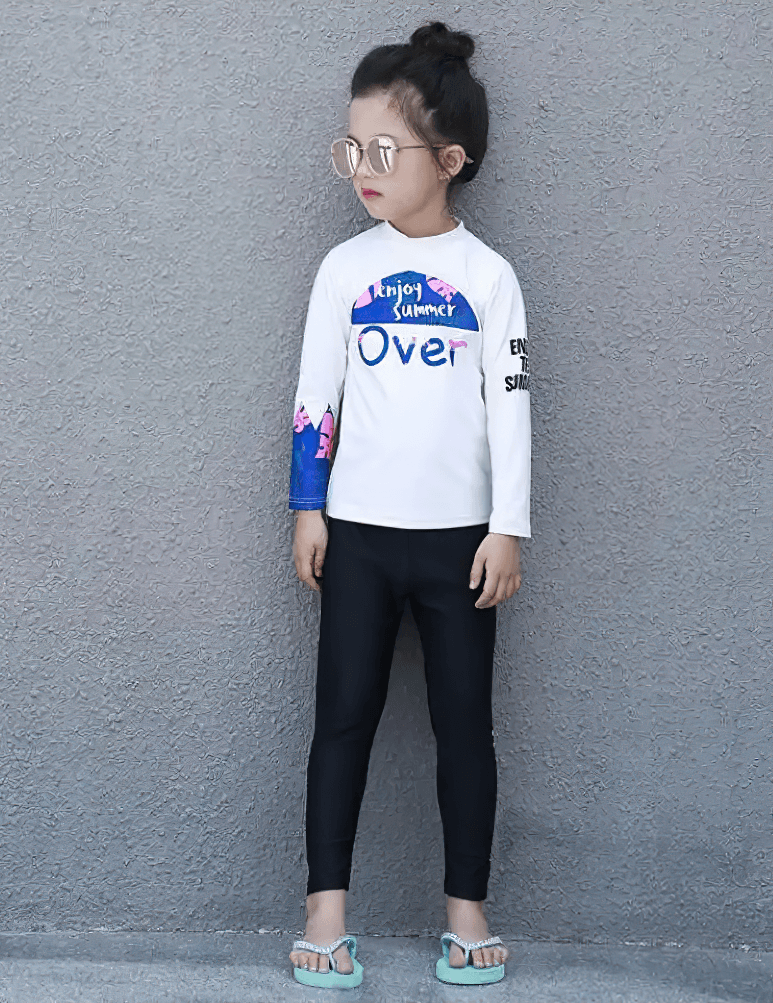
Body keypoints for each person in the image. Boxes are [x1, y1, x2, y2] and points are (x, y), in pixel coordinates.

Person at [285, 21, 531, 989]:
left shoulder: (490, 280)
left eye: (383, 150)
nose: (361, 168)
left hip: (462, 547)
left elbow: (510, 409)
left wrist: (507, 524)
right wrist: (310, 508)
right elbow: (315, 397)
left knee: (464, 726)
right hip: (356, 541)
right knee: (340, 718)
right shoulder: (343, 271)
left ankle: (465, 913)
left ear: (452, 160)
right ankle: (323, 912)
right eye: (351, 148)